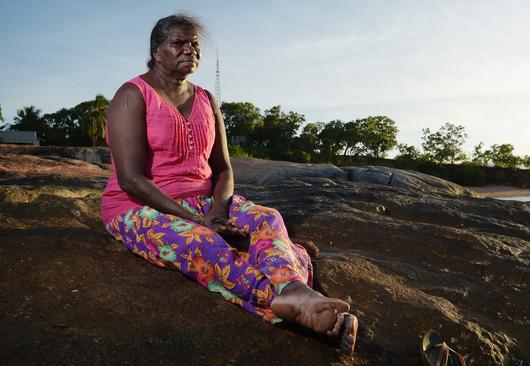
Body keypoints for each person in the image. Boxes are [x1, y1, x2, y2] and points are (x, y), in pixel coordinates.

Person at [101, 13, 358, 354]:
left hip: (205, 201)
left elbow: (222, 169)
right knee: (203, 243)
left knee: (269, 219)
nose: (189, 50)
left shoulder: (206, 99)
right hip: (141, 205)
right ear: (157, 50)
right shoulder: (132, 95)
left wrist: (219, 211)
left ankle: (295, 291)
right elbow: (131, 179)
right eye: (179, 42)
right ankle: (285, 299)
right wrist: (196, 220)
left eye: (194, 44)